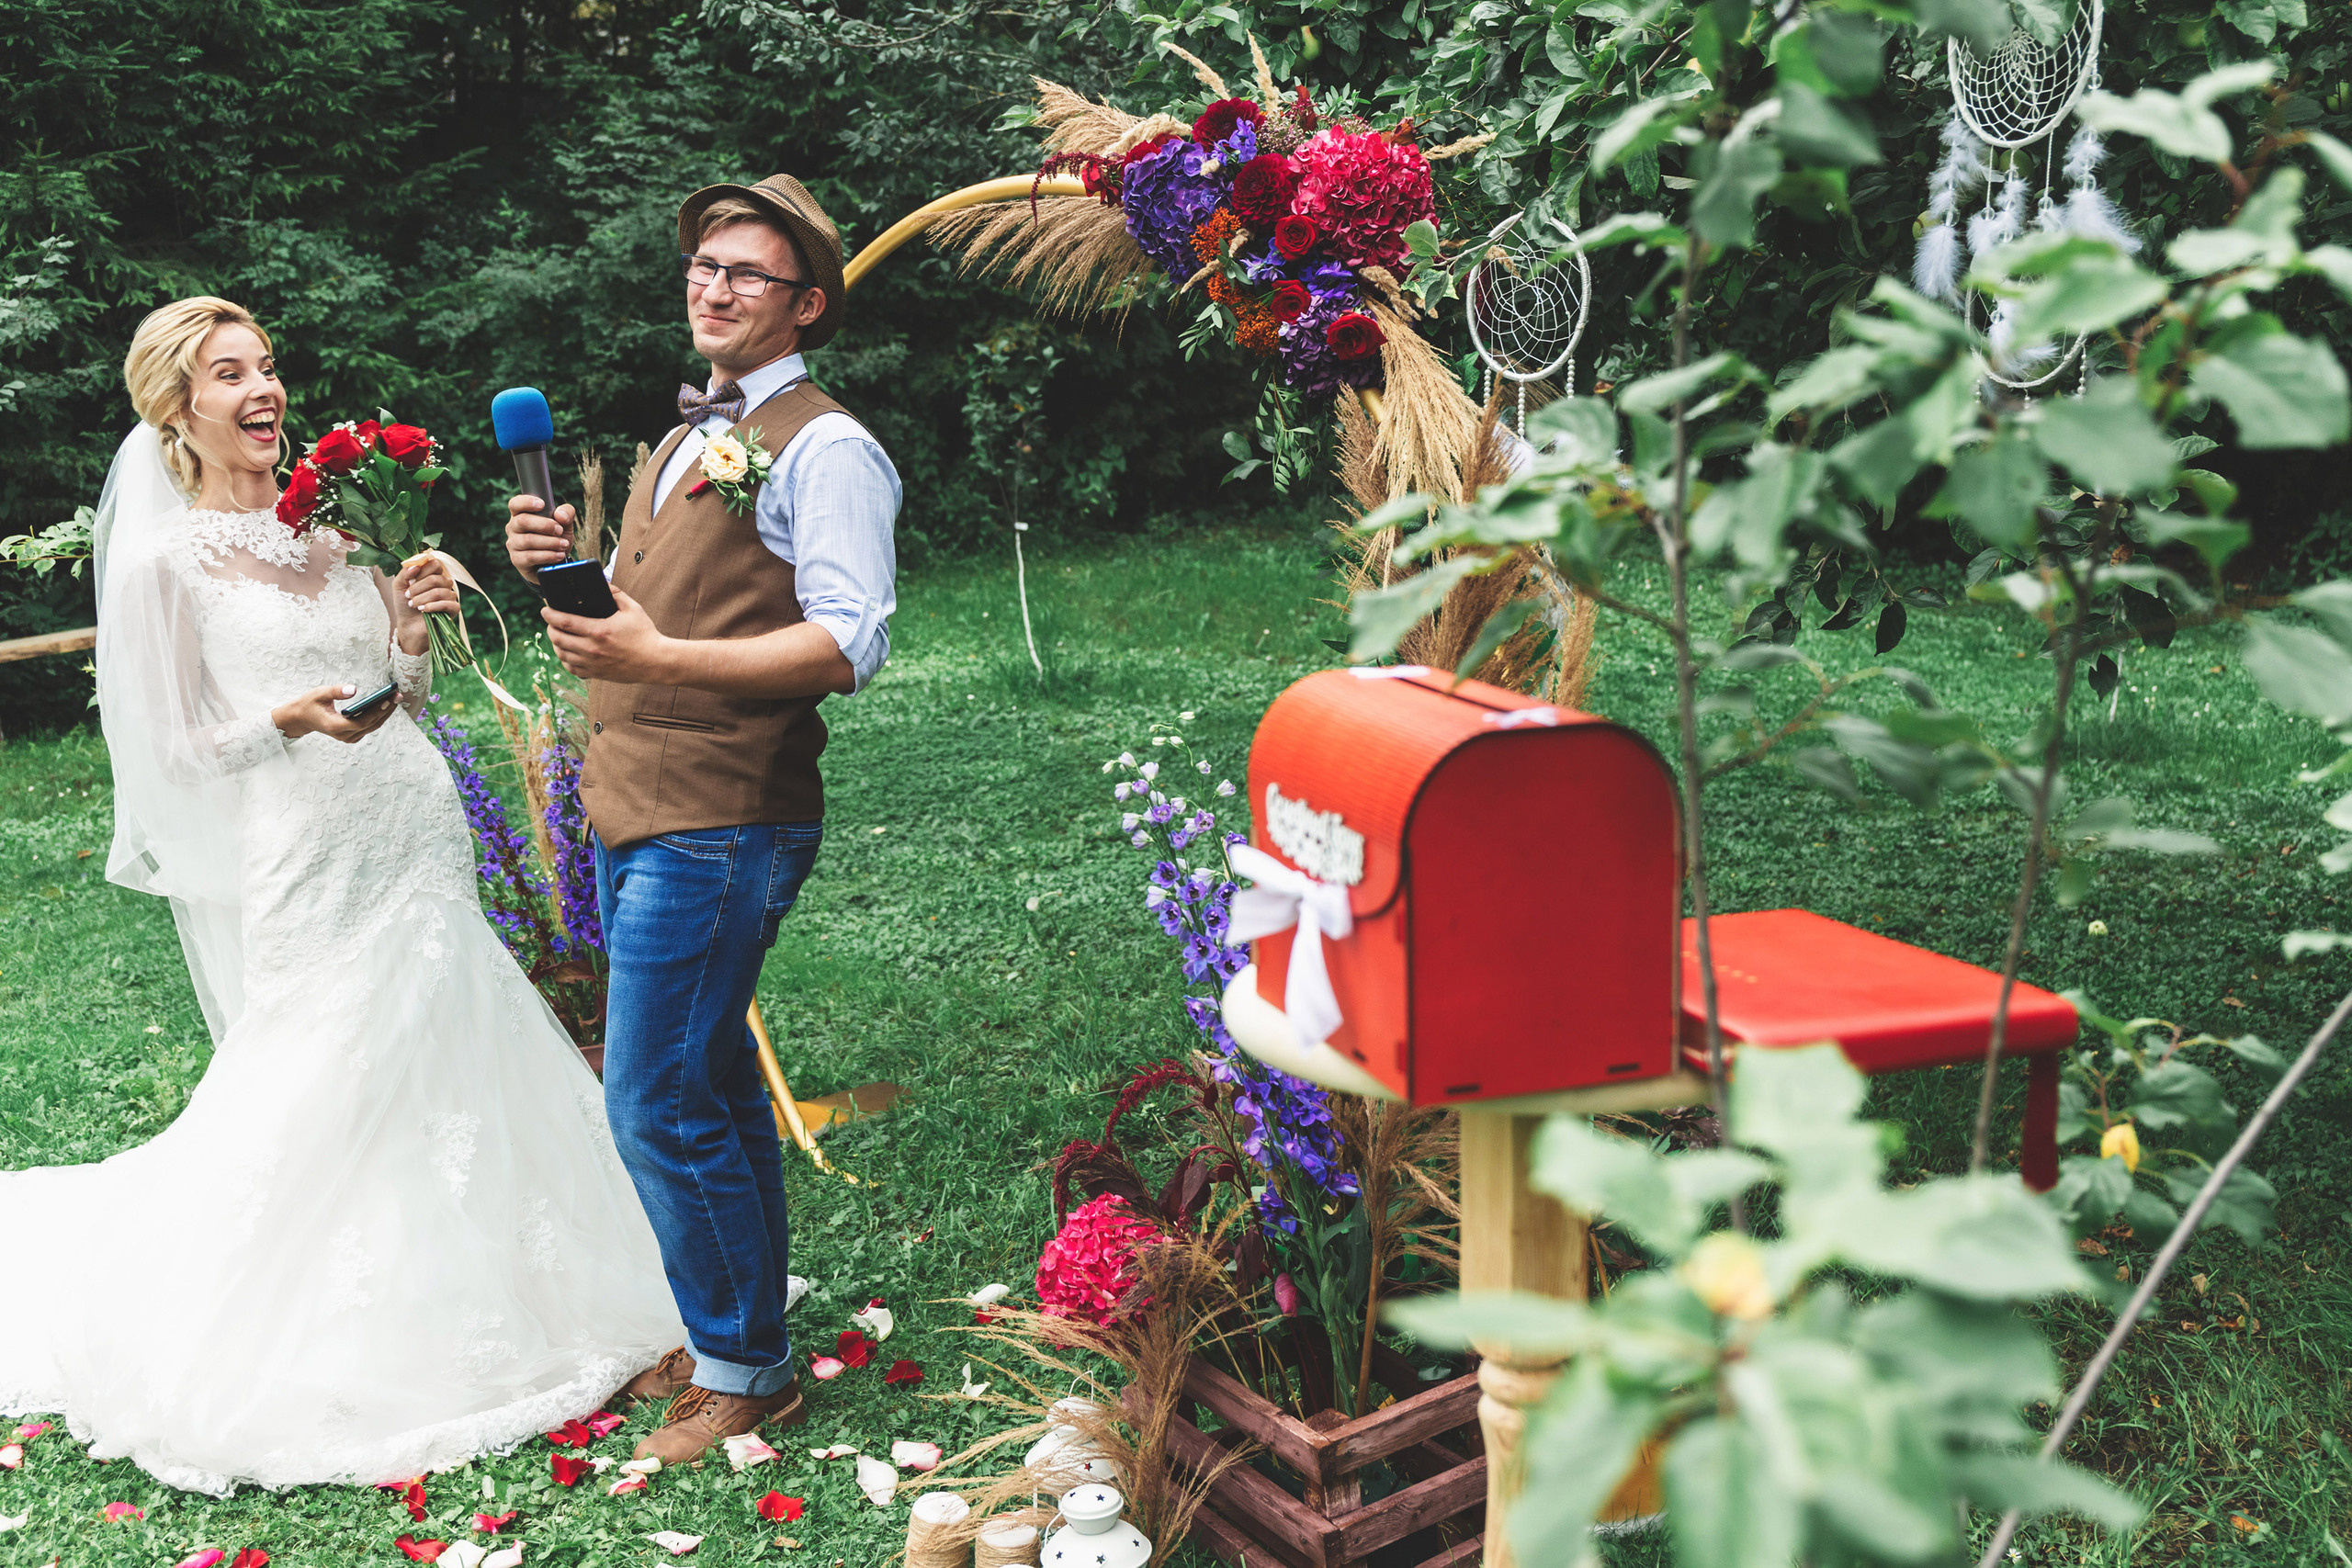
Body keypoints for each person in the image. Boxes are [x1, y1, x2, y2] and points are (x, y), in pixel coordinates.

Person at [0, 298, 685, 1495]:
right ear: (179, 407)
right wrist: (285, 719)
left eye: (265, 366)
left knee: (449, 1051)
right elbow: (170, 752)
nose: (261, 389)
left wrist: (409, 632)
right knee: (323, 1070)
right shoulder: (167, 563)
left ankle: (505, 1279)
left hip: (414, 830)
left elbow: (400, 703)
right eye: (228, 374)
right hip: (306, 855)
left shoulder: (325, 534)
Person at [503, 175, 900, 1463]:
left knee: (654, 1095)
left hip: (727, 817)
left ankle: (745, 1368)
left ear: (809, 304)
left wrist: (658, 654)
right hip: (639, 803)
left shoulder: (829, 446)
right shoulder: (684, 440)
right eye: (702, 266)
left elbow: (848, 640)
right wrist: (559, 568)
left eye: (747, 274)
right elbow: (638, 613)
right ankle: (737, 1329)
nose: (713, 287)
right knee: (714, 1080)